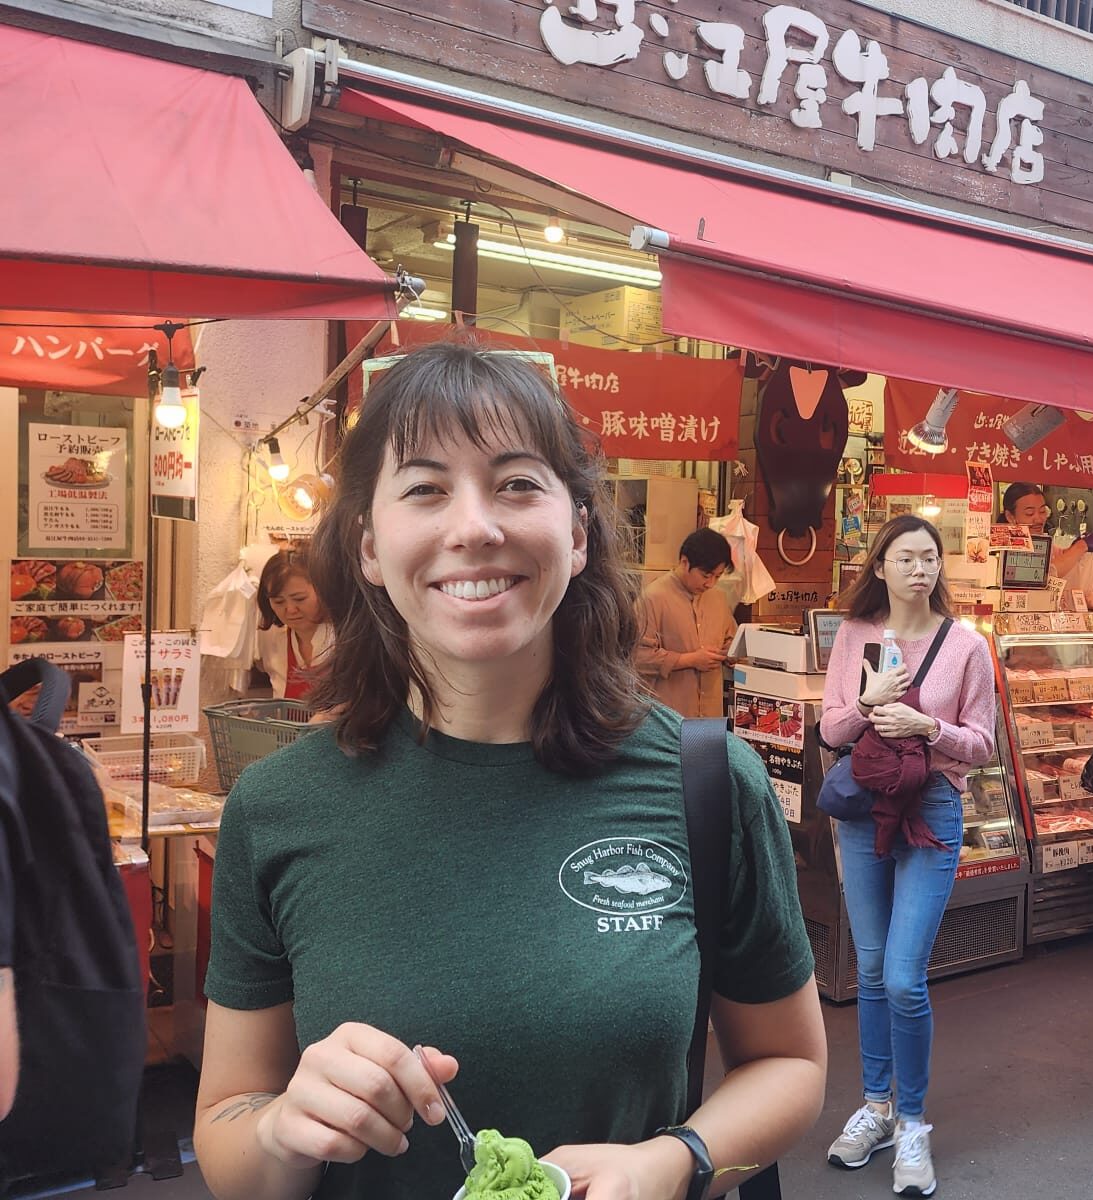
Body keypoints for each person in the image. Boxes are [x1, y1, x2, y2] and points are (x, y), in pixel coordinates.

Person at [193, 343, 826, 1200]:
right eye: (425, 488)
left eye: (517, 483)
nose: (474, 526)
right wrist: (281, 1128)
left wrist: (672, 1164)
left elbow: (790, 1063)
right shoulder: (277, 807)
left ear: (576, 529)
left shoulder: (707, 781)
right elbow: (229, 1130)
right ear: (369, 545)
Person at [819, 514, 996, 1197]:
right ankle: (877, 1106)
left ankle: (913, 1121)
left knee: (901, 976)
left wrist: (929, 727)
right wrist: (869, 704)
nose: (919, 568)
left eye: (929, 557)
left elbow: (981, 744)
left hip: (933, 811)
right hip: (866, 811)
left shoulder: (966, 646)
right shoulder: (857, 635)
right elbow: (833, 728)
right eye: (905, 557)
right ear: (882, 568)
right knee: (867, 968)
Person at [636, 528, 738, 718]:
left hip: (710, 714)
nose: (711, 583)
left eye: (718, 576)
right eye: (706, 575)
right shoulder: (653, 598)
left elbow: (732, 639)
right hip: (668, 717)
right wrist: (690, 660)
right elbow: (637, 658)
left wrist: (730, 654)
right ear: (684, 562)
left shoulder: (718, 598)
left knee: (707, 749)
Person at [1001, 483, 1093, 609]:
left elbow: (1058, 563)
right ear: (1010, 516)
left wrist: (1074, 551)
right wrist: (1081, 547)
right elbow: (1046, 574)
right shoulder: (1004, 548)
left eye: (1042, 511)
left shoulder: (1048, 545)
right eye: (1030, 513)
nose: (1038, 519)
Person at [254, 548, 334, 701]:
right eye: (278, 601)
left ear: (322, 590)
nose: (290, 610)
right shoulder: (274, 639)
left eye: (299, 599)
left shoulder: (346, 640)